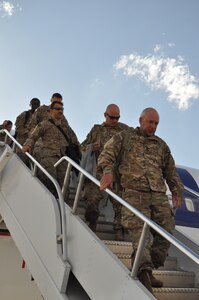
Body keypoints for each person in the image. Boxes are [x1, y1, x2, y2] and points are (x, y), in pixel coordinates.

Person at [97, 107, 183, 294]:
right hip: (134, 192)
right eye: (150, 122)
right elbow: (107, 154)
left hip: (158, 194)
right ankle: (143, 274)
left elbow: (170, 171)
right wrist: (108, 171)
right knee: (140, 232)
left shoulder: (161, 145)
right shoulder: (125, 137)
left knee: (166, 231)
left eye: (156, 123)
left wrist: (176, 191)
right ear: (141, 120)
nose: (153, 126)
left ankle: (149, 267)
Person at [81, 104, 129, 239]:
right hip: (98, 172)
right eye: (112, 117)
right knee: (91, 200)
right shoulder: (97, 130)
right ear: (105, 115)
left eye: (117, 118)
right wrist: (91, 147)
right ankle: (92, 224)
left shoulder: (124, 130)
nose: (115, 120)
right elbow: (82, 147)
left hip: (117, 174)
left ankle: (118, 231)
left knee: (119, 203)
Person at [22, 101, 81, 196]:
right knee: (49, 181)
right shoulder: (45, 124)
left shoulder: (65, 129)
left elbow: (74, 141)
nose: (60, 111)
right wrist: (27, 145)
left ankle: (61, 208)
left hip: (62, 159)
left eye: (62, 109)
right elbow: (33, 136)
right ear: (51, 111)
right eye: (57, 109)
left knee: (64, 189)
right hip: (48, 156)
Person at [28, 93, 70, 160]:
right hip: (43, 145)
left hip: (59, 149)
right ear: (51, 100)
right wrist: (34, 139)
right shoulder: (42, 109)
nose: (57, 103)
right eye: (55, 101)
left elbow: (67, 131)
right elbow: (32, 124)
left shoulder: (62, 117)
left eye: (59, 102)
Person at [14, 98, 40, 165]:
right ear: (30, 105)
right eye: (34, 104)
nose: (35, 106)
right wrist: (27, 133)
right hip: (23, 143)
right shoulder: (25, 114)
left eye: (37, 104)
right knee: (20, 163)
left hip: (35, 145)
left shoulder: (39, 118)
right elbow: (18, 127)